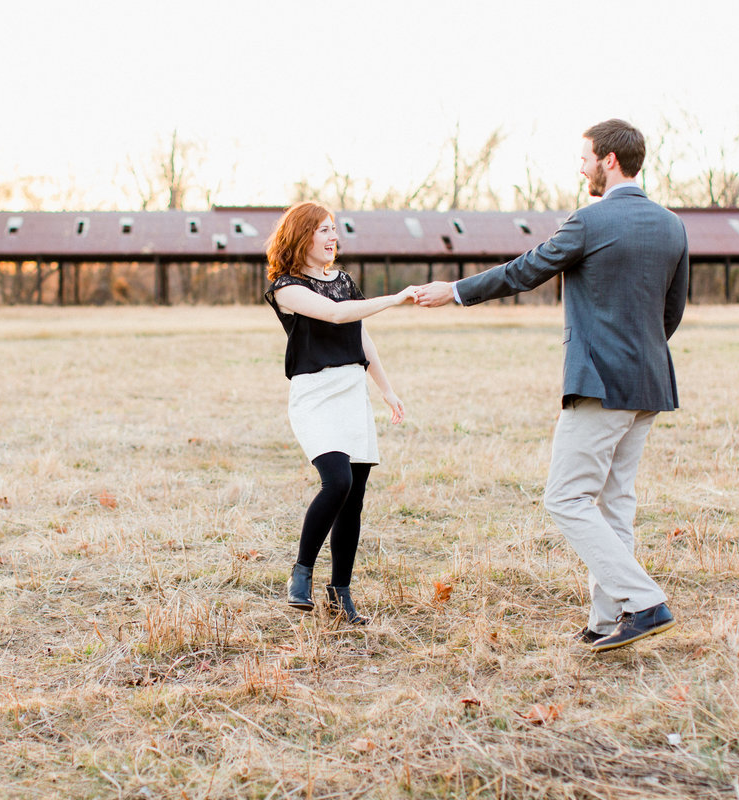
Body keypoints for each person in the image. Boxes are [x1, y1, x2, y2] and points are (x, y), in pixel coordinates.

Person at [414, 119, 688, 653]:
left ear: (610, 160)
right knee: (614, 505)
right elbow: (672, 311)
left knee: (565, 498)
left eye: (585, 156)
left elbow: (525, 271)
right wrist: (642, 352)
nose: (581, 165)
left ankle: (644, 602)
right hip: (650, 382)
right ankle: (606, 621)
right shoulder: (673, 225)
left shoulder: (590, 220)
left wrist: (455, 290)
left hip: (600, 383)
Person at [264, 201, 415, 625]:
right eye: (323, 230)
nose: (333, 237)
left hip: (352, 392)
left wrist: (386, 390)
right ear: (301, 236)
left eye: (335, 230)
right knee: (338, 481)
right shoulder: (286, 287)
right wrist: (397, 298)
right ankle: (301, 574)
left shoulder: (345, 281)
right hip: (315, 394)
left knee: (354, 500)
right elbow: (333, 314)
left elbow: (361, 335)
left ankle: (340, 593)